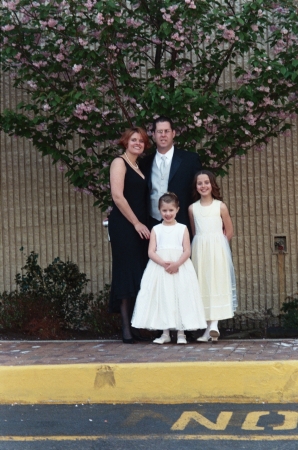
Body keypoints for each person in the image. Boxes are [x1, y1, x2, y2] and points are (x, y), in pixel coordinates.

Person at [131, 192, 207, 344]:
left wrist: (177, 264)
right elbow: (151, 251)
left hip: (180, 267)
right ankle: (165, 333)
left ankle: (181, 333)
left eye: (171, 210)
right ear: (159, 210)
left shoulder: (182, 228)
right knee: (163, 298)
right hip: (160, 268)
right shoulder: (156, 229)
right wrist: (163, 263)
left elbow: (187, 250)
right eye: (164, 210)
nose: (168, 213)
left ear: (177, 210)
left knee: (180, 297)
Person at [108, 127, 151, 343]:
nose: (138, 143)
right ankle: (125, 329)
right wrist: (135, 223)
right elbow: (117, 196)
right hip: (125, 226)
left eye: (141, 141)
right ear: (125, 142)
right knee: (125, 272)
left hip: (139, 227)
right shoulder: (119, 162)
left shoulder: (139, 165)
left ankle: (135, 327)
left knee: (137, 272)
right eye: (134, 140)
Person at [188, 170, 237, 342]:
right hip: (200, 249)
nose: (203, 186)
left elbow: (229, 231)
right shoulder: (192, 208)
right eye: (199, 183)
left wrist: (219, 247)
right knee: (203, 284)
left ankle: (214, 325)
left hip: (217, 249)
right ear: (196, 186)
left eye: (206, 182)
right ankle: (208, 328)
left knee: (217, 283)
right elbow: (195, 232)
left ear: (212, 184)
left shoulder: (220, 206)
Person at [139, 116, 202, 236]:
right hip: (153, 224)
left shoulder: (190, 160)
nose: (163, 135)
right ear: (153, 134)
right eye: (159, 131)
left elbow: (200, 192)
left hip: (182, 224)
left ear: (173, 133)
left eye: (167, 131)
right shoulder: (144, 163)